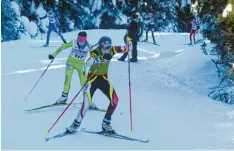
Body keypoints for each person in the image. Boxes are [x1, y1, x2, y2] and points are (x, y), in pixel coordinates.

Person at [65, 36, 131, 134]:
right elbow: (88, 63)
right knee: (86, 104)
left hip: (103, 79)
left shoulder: (113, 49)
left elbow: (127, 48)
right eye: (104, 47)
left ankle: (106, 124)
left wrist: (129, 42)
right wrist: (99, 58)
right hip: (92, 79)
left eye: (108, 47)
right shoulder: (95, 51)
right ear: (100, 46)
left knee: (115, 101)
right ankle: (75, 125)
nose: (106, 49)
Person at [48, 31, 96, 108]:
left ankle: (87, 100)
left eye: (82, 41)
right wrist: (53, 55)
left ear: (85, 40)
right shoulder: (73, 42)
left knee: (83, 82)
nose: (80, 42)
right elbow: (62, 47)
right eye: (79, 40)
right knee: (67, 79)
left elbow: (94, 56)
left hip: (81, 65)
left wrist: (94, 61)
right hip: (70, 63)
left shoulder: (89, 46)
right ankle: (64, 97)